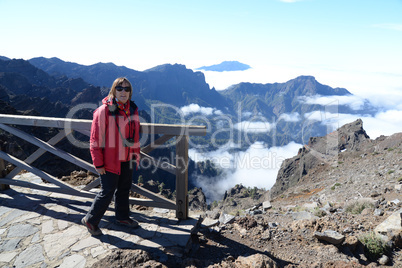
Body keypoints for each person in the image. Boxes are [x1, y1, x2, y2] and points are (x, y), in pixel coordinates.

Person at [82, 77, 141, 236]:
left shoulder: (132, 109)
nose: (123, 92)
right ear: (113, 90)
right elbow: (95, 139)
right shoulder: (103, 111)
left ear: (130, 92)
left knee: (123, 189)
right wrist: (98, 163)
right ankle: (90, 219)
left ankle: (122, 217)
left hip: (127, 157)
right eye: (119, 88)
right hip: (110, 160)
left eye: (126, 89)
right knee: (107, 191)